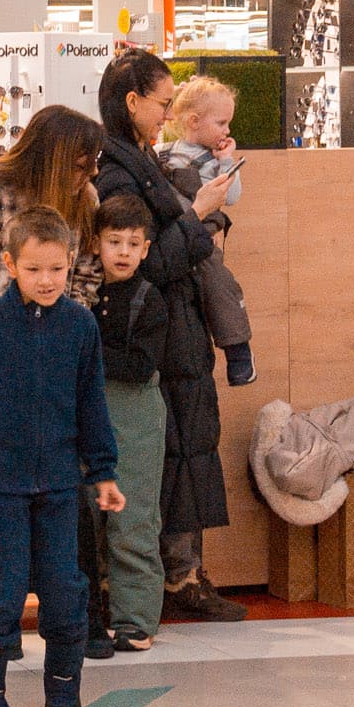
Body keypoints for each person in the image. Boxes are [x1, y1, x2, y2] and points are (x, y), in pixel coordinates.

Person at [0, 207, 121, 707]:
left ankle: (63, 688)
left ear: (70, 266)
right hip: (2, 487)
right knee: (5, 591)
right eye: (34, 269)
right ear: (9, 264)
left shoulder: (81, 325)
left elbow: (92, 406)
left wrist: (103, 472)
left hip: (62, 487)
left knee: (66, 589)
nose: (47, 281)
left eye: (57, 270)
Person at [96, 51, 238, 621]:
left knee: (185, 448)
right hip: (151, 336)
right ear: (133, 102)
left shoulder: (141, 159)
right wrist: (199, 214)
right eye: (162, 102)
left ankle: (177, 576)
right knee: (155, 460)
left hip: (174, 329)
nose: (168, 113)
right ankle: (160, 584)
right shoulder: (118, 169)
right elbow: (139, 261)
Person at [0, 104, 106, 388]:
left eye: (93, 163)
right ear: (52, 161)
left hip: (50, 365)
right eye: (80, 166)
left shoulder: (85, 199)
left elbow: (84, 282)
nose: (93, 172)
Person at [89, 195, 168, 656]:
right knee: (84, 517)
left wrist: (85, 353)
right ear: (95, 243)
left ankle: (136, 619)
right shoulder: (82, 291)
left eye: (132, 243)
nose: (122, 251)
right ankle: (88, 617)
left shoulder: (148, 300)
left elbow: (141, 366)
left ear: (146, 248)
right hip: (89, 412)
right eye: (113, 240)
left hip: (135, 416)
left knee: (132, 516)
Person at [157, 76, 257, 387]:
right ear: (194, 121)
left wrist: (226, 163)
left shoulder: (217, 164)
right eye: (221, 123)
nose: (227, 131)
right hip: (170, 236)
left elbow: (232, 196)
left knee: (220, 283)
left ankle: (238, 349)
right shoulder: (162, 152)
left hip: (200, 239)